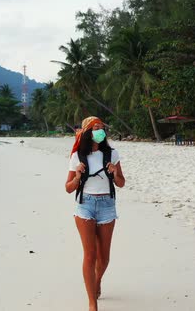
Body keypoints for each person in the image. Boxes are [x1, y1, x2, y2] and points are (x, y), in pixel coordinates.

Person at [65, 116, 126, 311]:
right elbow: (68, 188)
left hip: (107, 204)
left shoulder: (112, 154)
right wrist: (77, 177)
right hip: (85, 205)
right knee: (90, 256)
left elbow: (121, 183)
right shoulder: (77, 157)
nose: (100, 130)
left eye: (102, 127)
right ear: (86, 132)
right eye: (95, 127)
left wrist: (115, 172)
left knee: (104, 258)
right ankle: (92, 302)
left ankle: (97, 280)